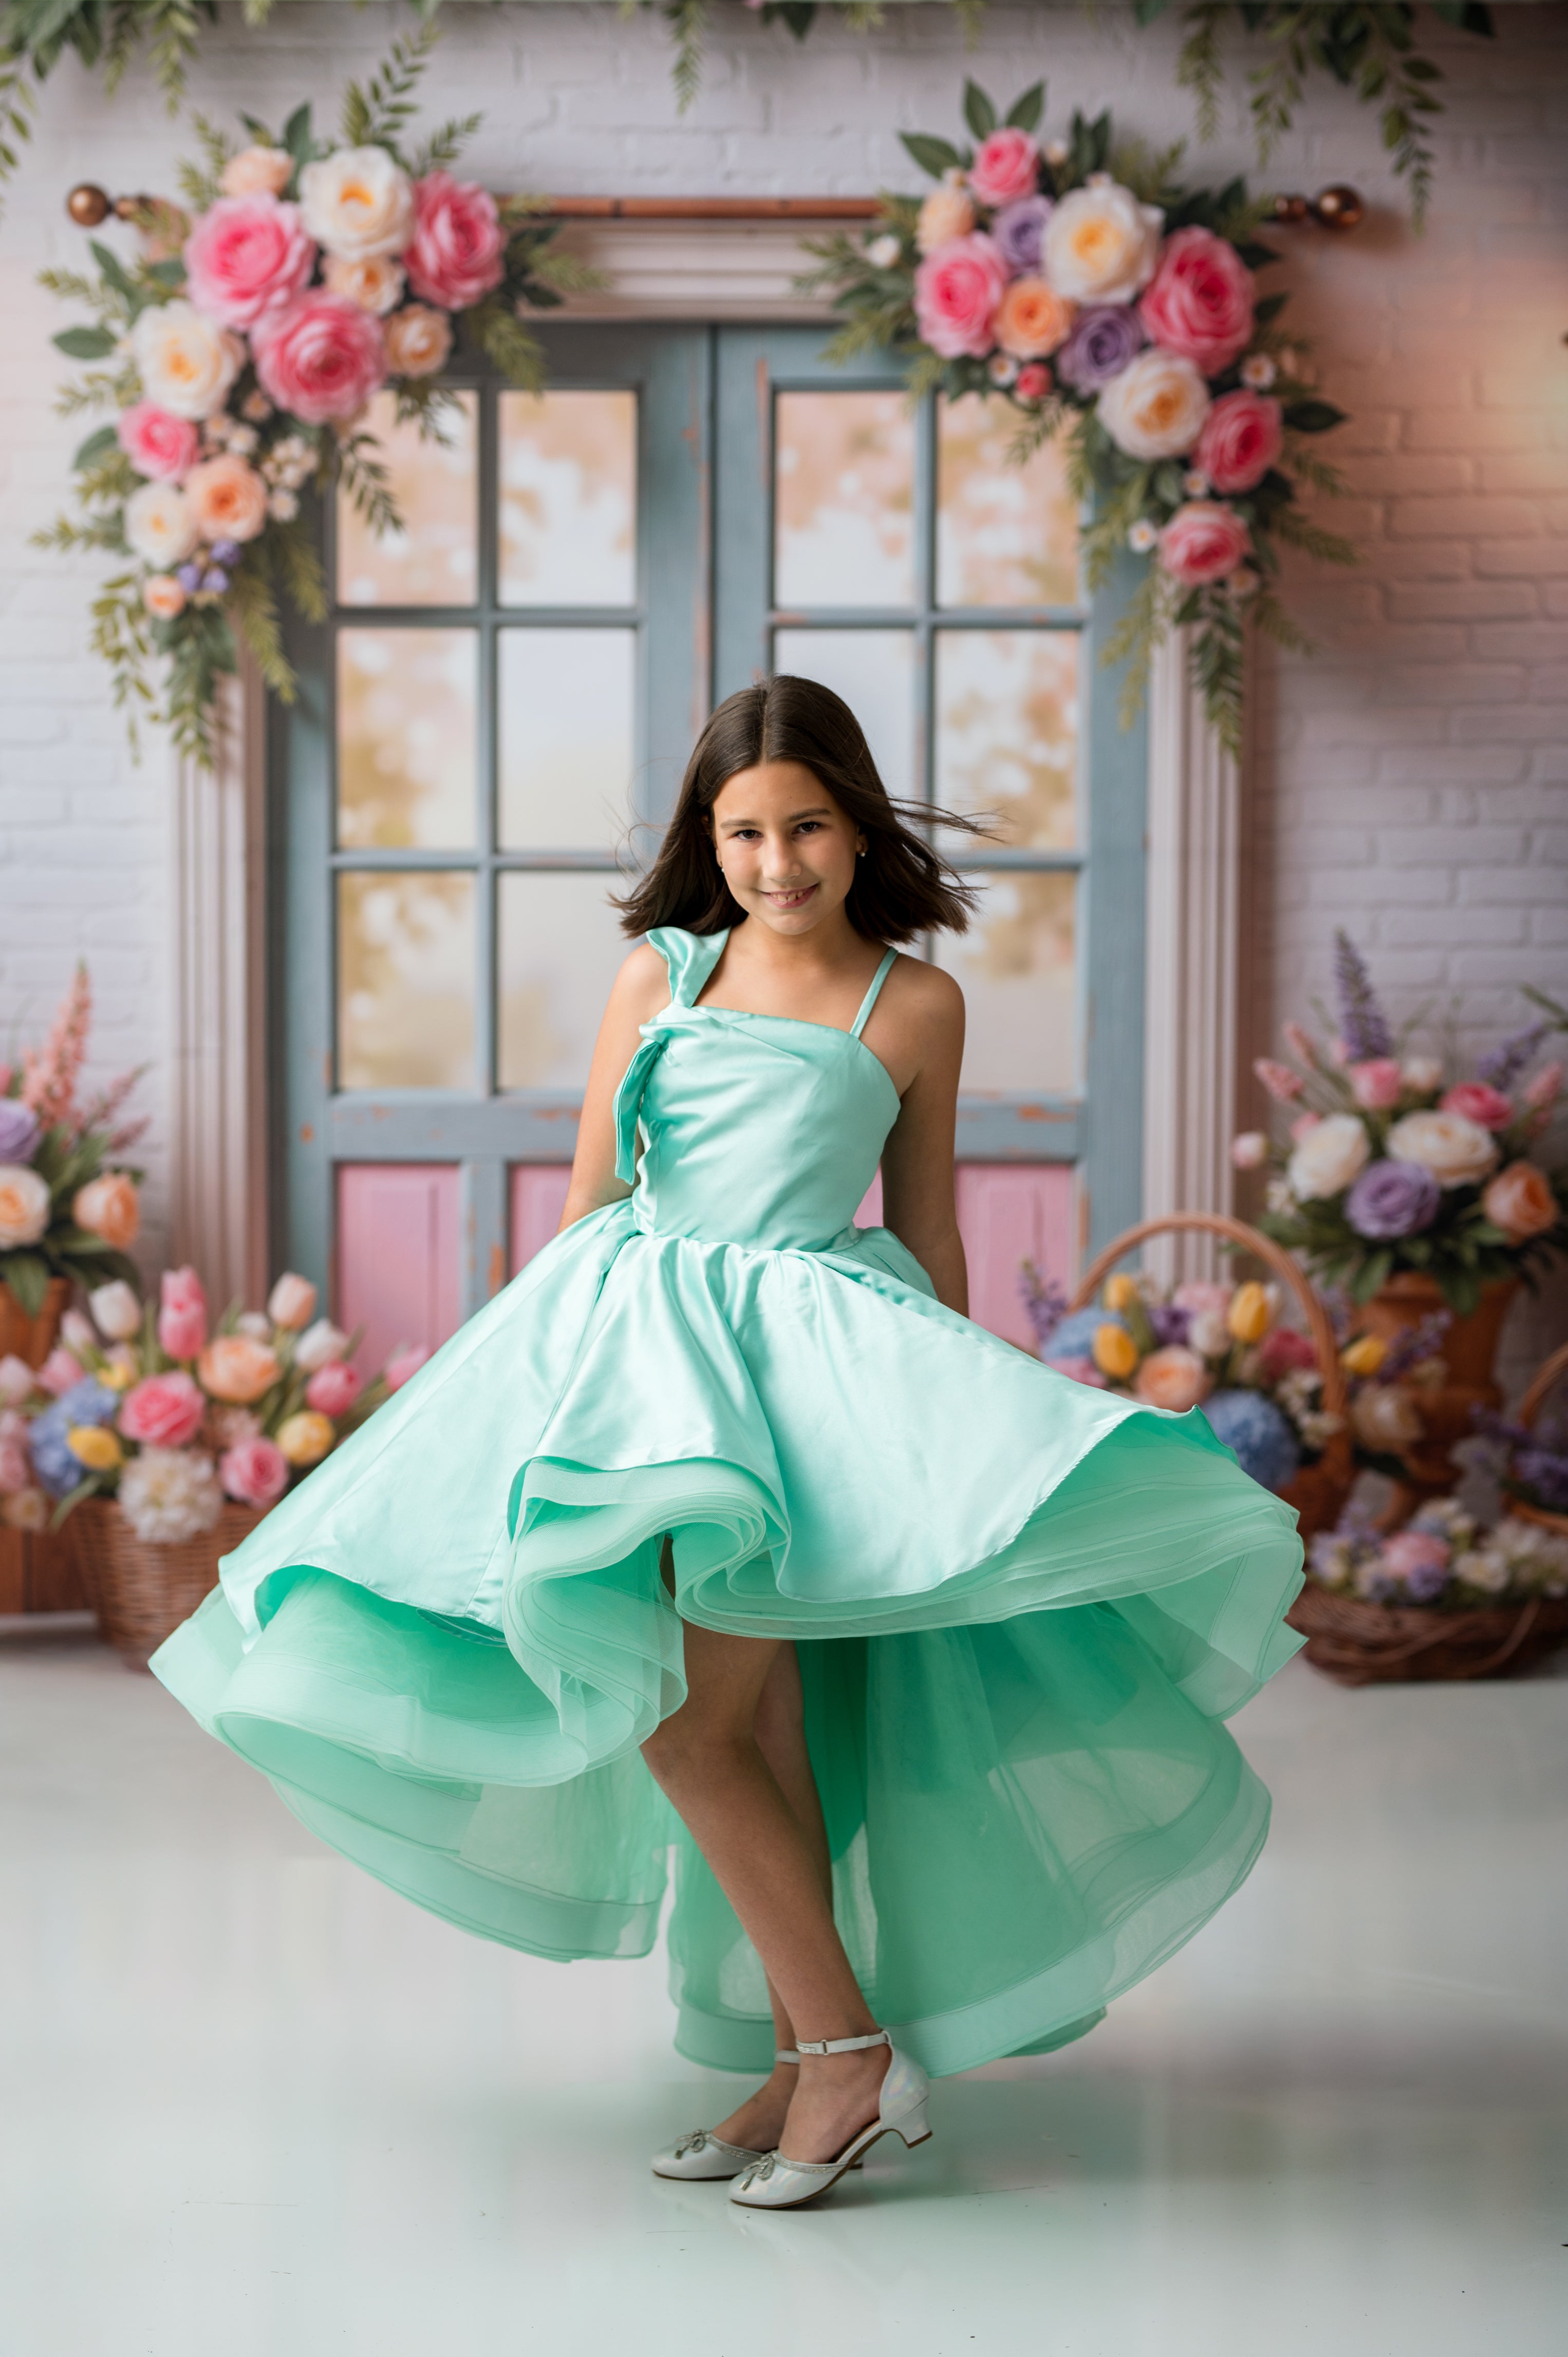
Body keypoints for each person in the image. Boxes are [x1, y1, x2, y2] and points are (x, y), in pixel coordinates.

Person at [152, 677, 1304, 2212]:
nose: (777, 862)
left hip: (804, 1375)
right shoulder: (662, 976)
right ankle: (795, 2054)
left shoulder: (911, 1002)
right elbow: (586, 1197)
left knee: (698, 1726)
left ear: (856, 823)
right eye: (744, 831)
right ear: (710, 838)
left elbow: (932, 1227)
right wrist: (535, 1379)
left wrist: (953, 1431)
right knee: (748, 1735)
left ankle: (839, 2048)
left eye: (807, 826)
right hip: (645, 1362)